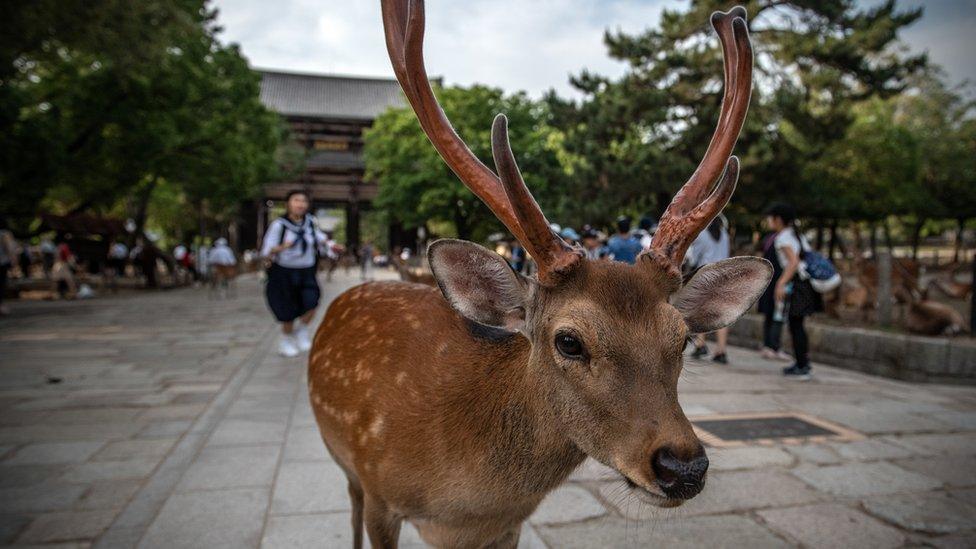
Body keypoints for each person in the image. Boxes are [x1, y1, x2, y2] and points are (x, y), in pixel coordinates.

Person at [757, 203, 822, 380]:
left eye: (771, 218)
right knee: (797, 324)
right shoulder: (796, 236)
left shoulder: (783, 238)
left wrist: (780, 283)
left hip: (798, 285)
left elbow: (793, 263)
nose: (769, 221)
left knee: (796, 325)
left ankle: (803, 366)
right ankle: (801, 362)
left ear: (778, 219)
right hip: (805, 285)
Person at [261, 190, 328, 357]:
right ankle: (286, 339)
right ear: (288, 204)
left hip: (306, 271)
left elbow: (319, 238)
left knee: (312, 302)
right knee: (287, 310)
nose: (300, 204)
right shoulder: (279, 225)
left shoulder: (311, 222)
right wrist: (282, 247)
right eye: (296, 200)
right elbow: (266, 250)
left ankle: (302, 331)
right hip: (284, 272)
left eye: (304, 201)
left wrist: (331, 244)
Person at [687, 216, 732, 364]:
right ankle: (721, 350)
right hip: (723, 276)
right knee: (721, 313)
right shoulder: (724, 234)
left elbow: (694, 258)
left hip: (706, 275)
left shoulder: (702, 235)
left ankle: (700, 345)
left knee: (702, 311)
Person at [0, 217, 17, 315]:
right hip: (2, 263)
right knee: (1, 283)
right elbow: (10, 248)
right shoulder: (4, 233)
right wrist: (14, 261)